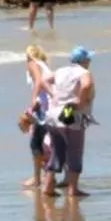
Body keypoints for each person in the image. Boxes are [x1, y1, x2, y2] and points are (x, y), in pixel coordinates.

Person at [43, 46, 96, 198]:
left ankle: (48, 186)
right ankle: (73, 189)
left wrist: (53, 93)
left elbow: (44, 80)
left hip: (53, 114)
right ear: (84, 61)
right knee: (75, 149)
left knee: (57, 151)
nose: (90, 61)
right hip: (69, 111)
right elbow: (86, 85)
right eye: (88, 59)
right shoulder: (84, 72)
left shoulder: (61, 70)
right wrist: (79, 102)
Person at [19, 44, 53, 190]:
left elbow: (38, 81)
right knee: (50, 141)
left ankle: (38, 179)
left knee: (36, 142)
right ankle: (47, 175)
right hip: (51, 105)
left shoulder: (32, 64)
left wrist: (33, 101)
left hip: (42, 106)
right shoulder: (44, 64)